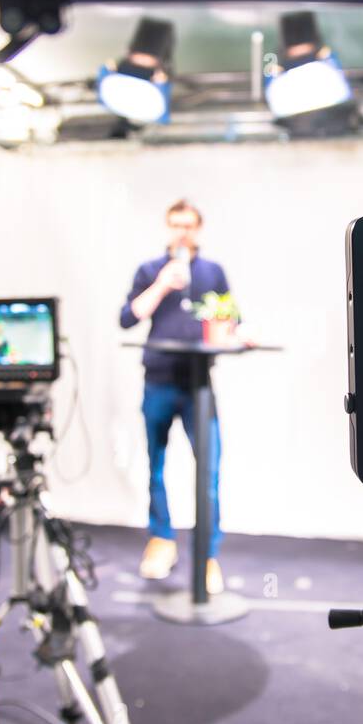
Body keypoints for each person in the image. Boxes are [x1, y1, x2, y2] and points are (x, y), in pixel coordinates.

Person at [119, 199, 232, 594]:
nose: (182, 231)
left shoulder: (213, 272)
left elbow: (229, 318)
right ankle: (161, 541)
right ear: (167, 228)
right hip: (159, 381)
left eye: (189, 225)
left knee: (211, 473)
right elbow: (128, 317)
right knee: (156, 466)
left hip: (198, 387)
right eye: (175, 225)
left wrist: (236, 331)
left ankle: (208, 555)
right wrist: (163, 283)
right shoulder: (151, 270)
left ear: (198, 228)